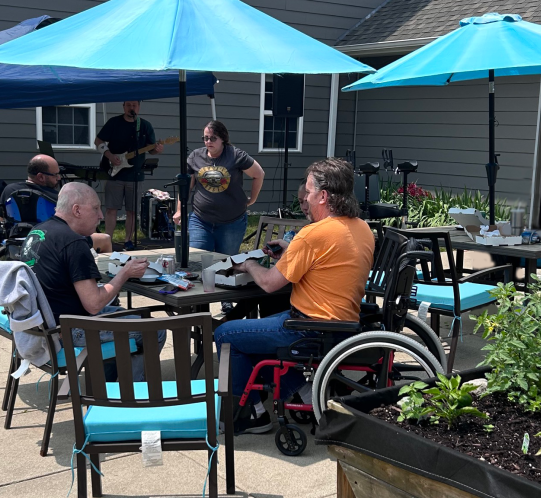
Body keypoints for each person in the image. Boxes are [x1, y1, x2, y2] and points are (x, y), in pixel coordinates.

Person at [213, 158, 374, 433]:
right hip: (344, 326)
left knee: (226, 333)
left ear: (323, 196)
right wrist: (291, 251)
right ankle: (301, 389)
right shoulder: (362, 228)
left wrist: (247, 264)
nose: (305, 199)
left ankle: (253, 414)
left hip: (308, 328)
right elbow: (329, 263)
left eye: (309, 193)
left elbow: (267, 284)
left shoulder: (312, 235)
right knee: (250, 334)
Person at [22, 182, 164, 377]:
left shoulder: (39, 231)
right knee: (154, 331)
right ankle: (131, 395)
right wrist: (125, 273)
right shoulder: (73, 242)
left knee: (130, 314)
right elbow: (94, 304)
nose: (100, 215)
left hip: (42, 327)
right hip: (67, 330)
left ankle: (107, 386)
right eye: (96, 208)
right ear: (77, 210)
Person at [173, 121, 265, 255]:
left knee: (225, 263)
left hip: (232, 222)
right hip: (200, 219)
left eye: (213, 138)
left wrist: (252, 199)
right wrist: (179, 210)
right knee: (197, 258)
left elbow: (259, 174)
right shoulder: (195, 156)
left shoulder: (236, 155)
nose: (208, 141)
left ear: (223, 139)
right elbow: (186, 186)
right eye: (205, 138)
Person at [94, 100, 164, 250]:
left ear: (139, 107)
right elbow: (98, 140)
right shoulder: (114, 123)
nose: (131, 108)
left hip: (135, 175)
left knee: (132, 210)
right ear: (124, 106)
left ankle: (128, 241)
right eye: (128, 105)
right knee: (111, 209)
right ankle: (108, 240)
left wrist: (157, 149)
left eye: (134, 105)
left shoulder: (145, 126)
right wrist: (110, 155)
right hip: (115, 174)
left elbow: (151, 148)